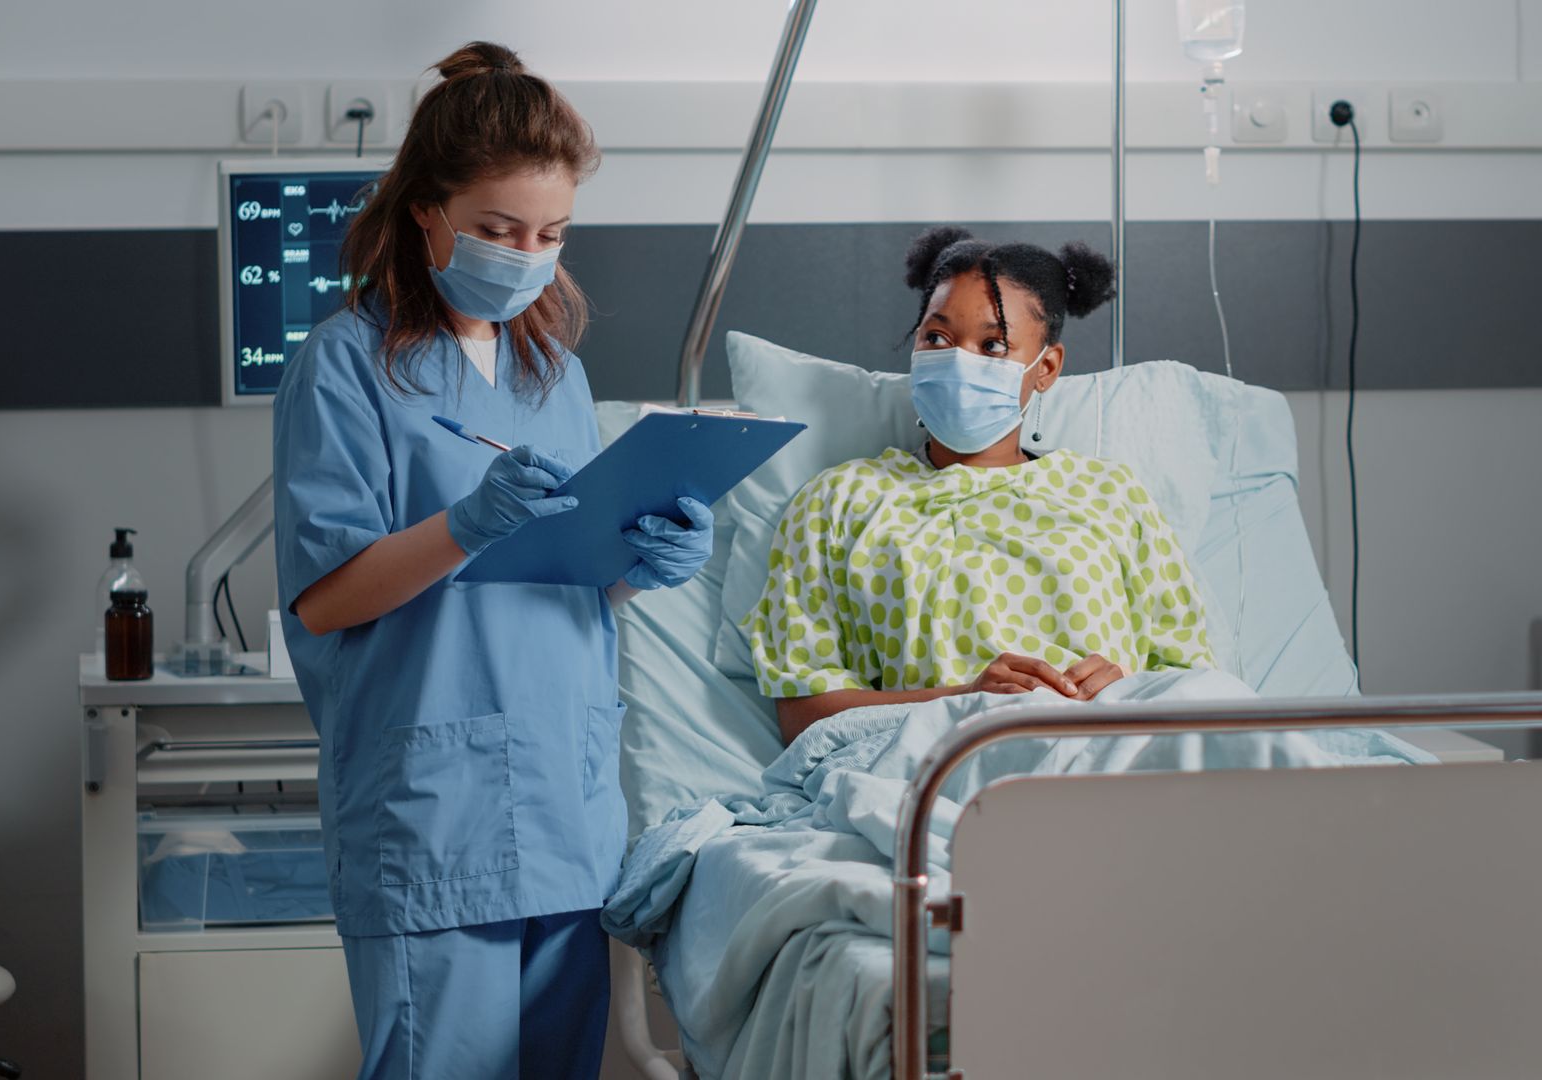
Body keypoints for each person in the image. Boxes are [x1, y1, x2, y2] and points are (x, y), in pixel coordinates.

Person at [272, 42, 712, 1080]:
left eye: (551, 234)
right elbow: (328, 599)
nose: (526, 254)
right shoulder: (345, 366)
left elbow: (565, 569)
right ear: (428, 212)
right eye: (498, 229)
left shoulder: (552, 369)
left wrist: (639, 563)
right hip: (436, 810)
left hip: (563, 801)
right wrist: (465, 525)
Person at [746, 226, 1216, 743]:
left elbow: (1192, 681)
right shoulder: (840, 501)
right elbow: (802, 715)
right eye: (937, 338)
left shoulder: (1110, 494)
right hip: (950, 758)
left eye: (994, 345)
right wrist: (967, 702)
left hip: (1113, 745)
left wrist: (1124, 687)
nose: (958, 360)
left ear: (1047, 368)